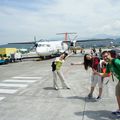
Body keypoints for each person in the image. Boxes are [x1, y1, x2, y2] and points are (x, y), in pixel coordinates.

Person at [93, 51, 120, 115]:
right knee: (118, 94)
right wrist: (97, 73)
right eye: (103, 57)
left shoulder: (116, 61)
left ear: (110, 55)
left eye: (106, 56)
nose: (105, 58)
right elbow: (107, 74)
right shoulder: (109, 65)